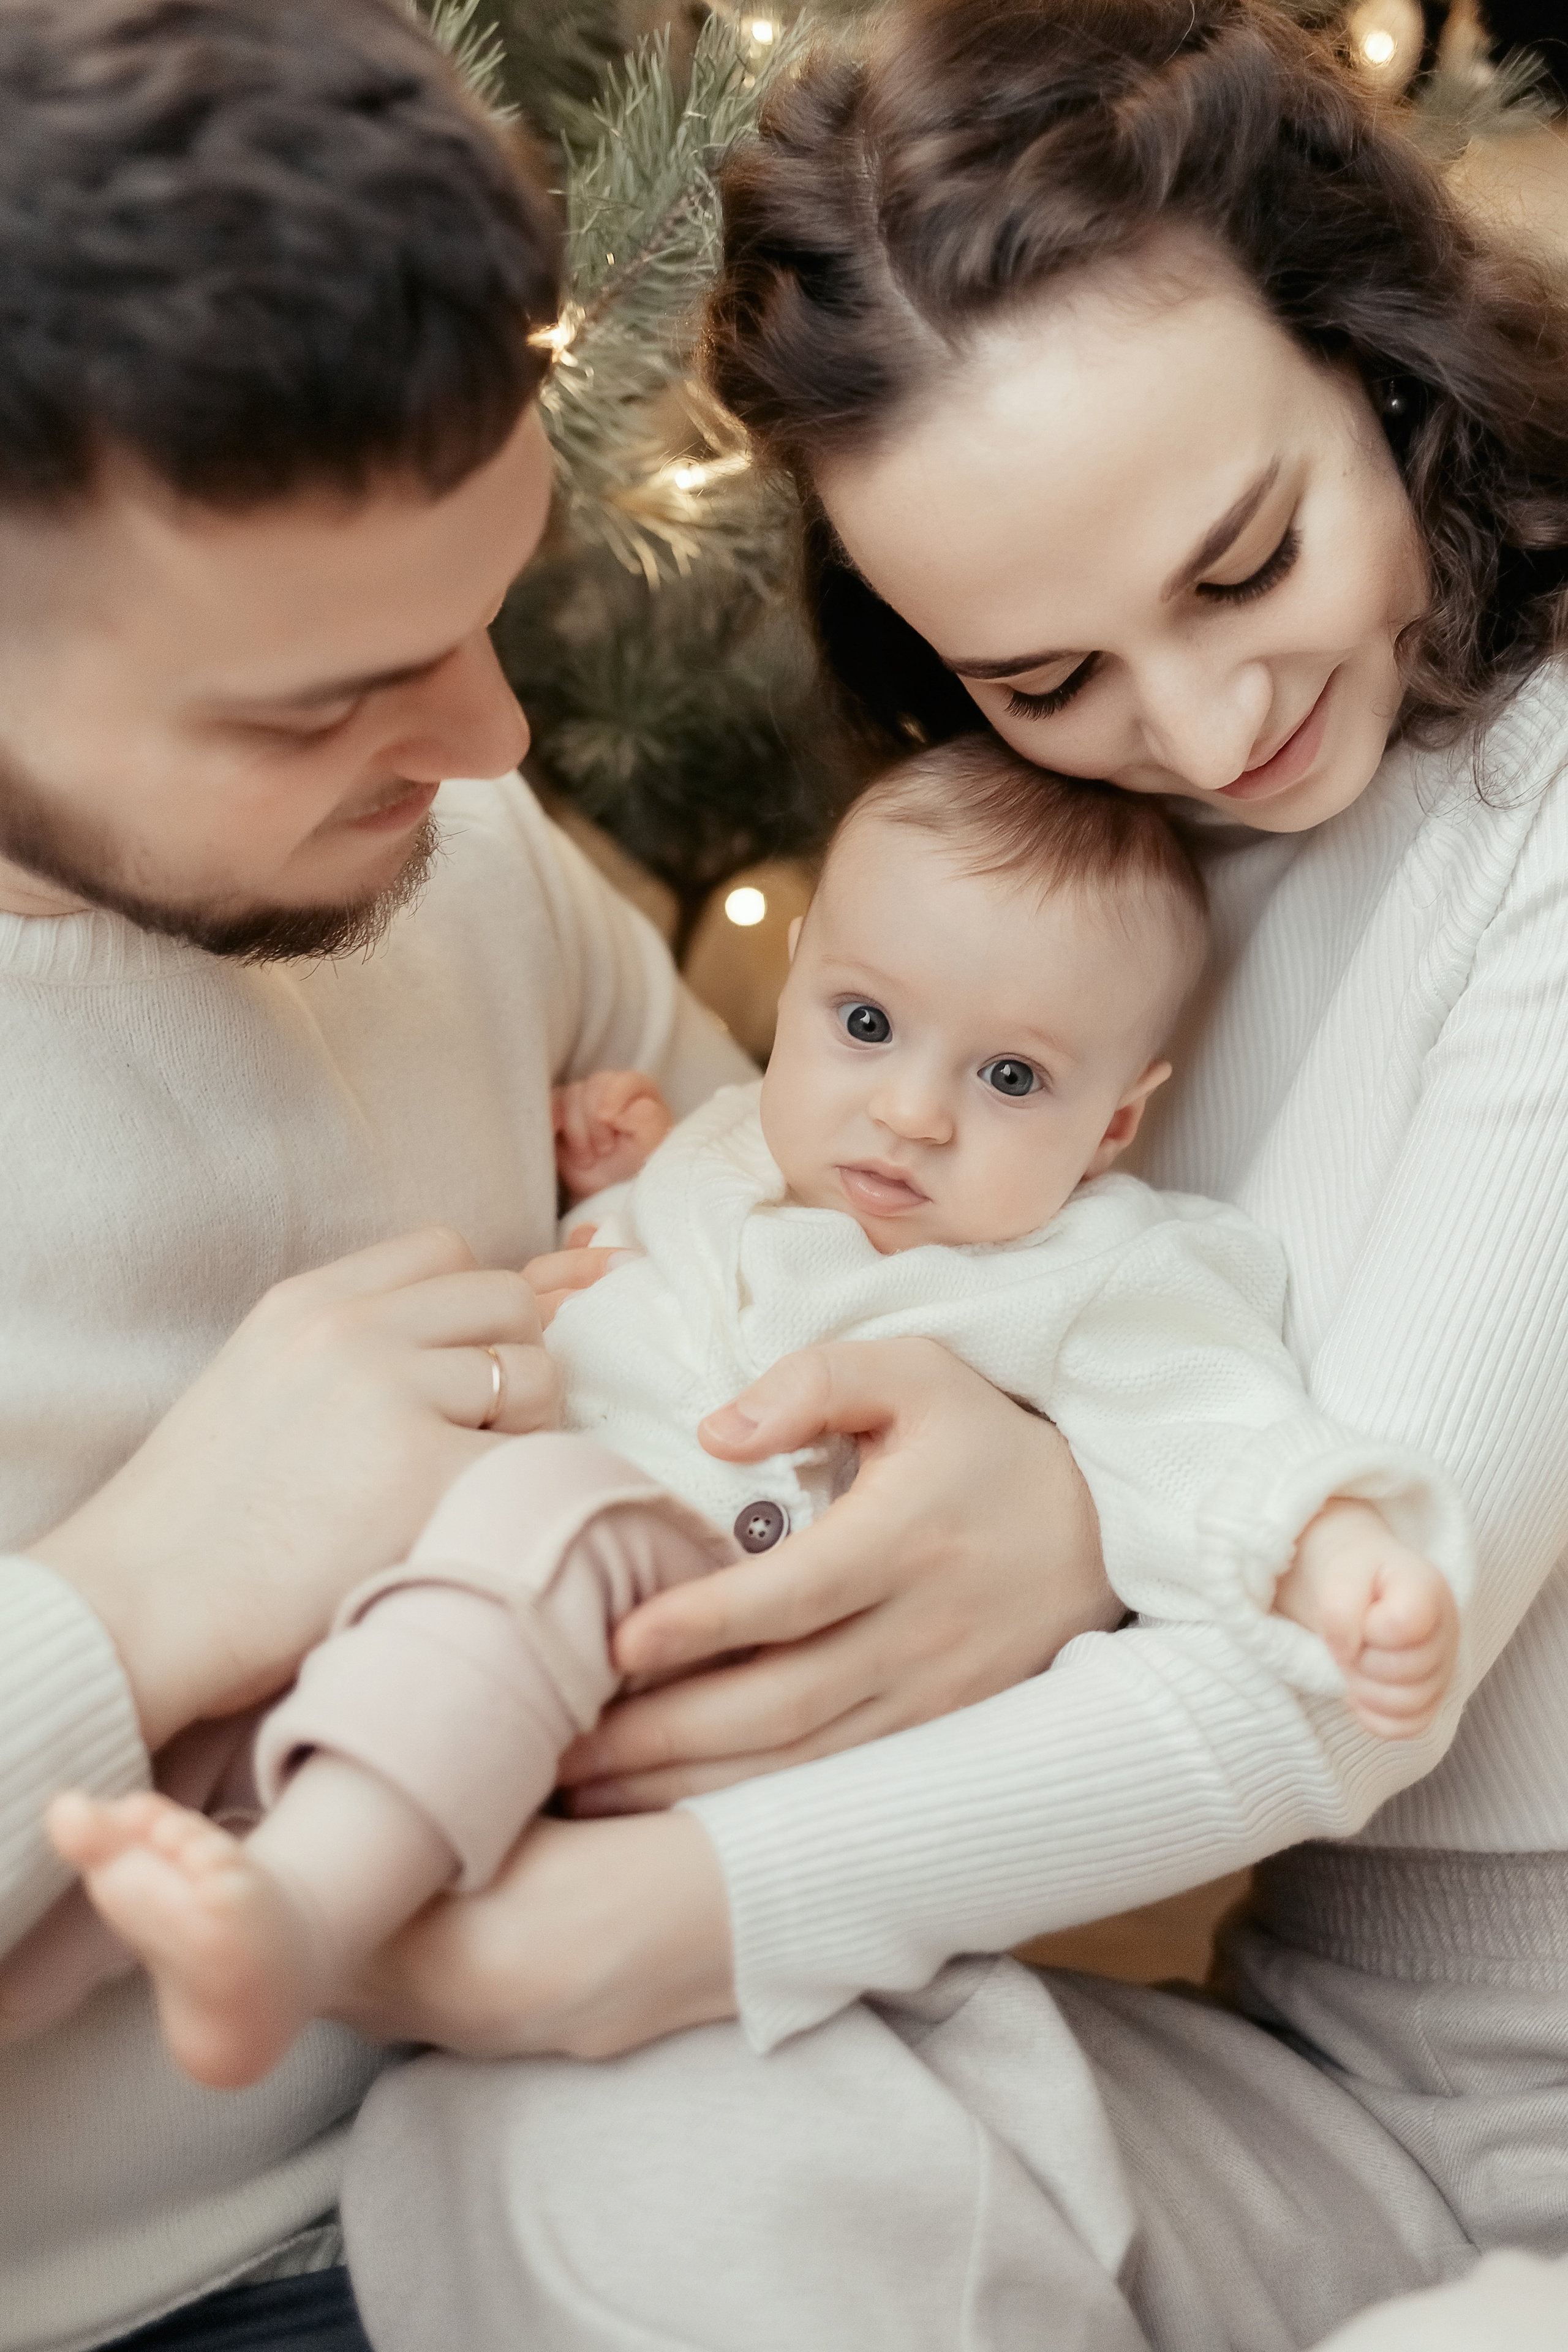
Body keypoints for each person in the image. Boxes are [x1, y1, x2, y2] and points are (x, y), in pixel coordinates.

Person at [335, 3, 1568, 2348]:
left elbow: (1350, 1669)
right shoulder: (1076, 896)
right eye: (1043, 674)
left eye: (1246, 562)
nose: (1205, 735)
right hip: (1333, 2074)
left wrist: (656, 1913)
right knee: (520, 2154)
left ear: (1378, 350)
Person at [43, 743, 1464, 2095]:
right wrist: (614, 1177)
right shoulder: (727, 1151)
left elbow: (1208, 1428)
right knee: (257, 1697)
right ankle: (80, 1936)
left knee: (532, 1524)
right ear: (797, 986)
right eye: (864, 1024)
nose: (907, 1112)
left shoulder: (1091, 1271)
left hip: (697, 1643)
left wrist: (1332, 1557)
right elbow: (628, 1282)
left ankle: (296, 1920)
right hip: (491, 1626)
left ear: (1109, 1124)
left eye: (1010, 1077)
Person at [0, 1, 770, 2345]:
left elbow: (791, 1199)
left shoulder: (452, 842)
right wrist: (135, 1606)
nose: (497, 741)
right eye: (317, 703)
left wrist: (970, 1468)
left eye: (486, 612)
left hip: (637, 2093)